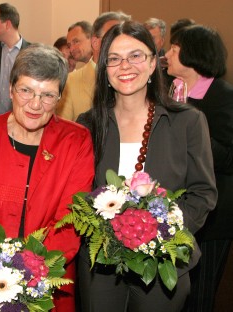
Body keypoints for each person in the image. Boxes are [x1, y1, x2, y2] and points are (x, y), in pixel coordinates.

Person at [76, 21, 217, 312]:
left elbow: (203, 194)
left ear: (153, 63)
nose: (124, 66)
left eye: (136, 55)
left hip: (163, 265)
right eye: (114, 59)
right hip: (101, 267)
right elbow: (78, 195)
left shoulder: (187, 121)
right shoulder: (88, 125)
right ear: (104, 69)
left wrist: (162, 233)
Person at [0, 44, 94, 311]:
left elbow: (69, 221)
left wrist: (25, 275)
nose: (35, 104)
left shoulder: (76, 141)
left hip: (47, 281)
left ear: (60, 97)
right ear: (10, 88)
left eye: (48, 95)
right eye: (26, 90)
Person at [165, 25, 233, 312]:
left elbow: (229, 156)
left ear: (193, 55)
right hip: (174, 211)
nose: (166, 54)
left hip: (212, 219)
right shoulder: (172, 90)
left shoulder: (222, 96)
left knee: (199, 298)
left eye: (174, 49)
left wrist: (193, 131)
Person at [57, 11, 131, 121]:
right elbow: (63, 131)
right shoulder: (70, 82)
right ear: (95, 43)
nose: (123, 43)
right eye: (114, 36)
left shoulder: (134, 78)